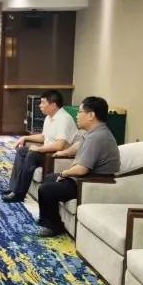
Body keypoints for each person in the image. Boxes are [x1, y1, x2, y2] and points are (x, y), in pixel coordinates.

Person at [36, 96, 120, 237]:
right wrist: (63, 153)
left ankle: (54, 226)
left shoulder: (97, 137)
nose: (76, 115)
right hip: (84, 179)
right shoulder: (95, 132)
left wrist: (63, 173)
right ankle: (48, 220)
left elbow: (82, 169)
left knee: (46, 189)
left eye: (80, 112)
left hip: (91, 183)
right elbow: (78, 145)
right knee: (49, 178)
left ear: (91, 115)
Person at [1, 90, 78, 202]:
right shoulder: (49, 117)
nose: (40, 105)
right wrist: (25, 138)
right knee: (22, 151)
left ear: (53, 105)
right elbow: (43, 137)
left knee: (32, 154)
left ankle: (19, 194)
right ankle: (13, 188)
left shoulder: (63, 119)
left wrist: (39, 149)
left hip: (57, 155)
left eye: (43, 102)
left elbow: (60, 145)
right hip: (47, 151)